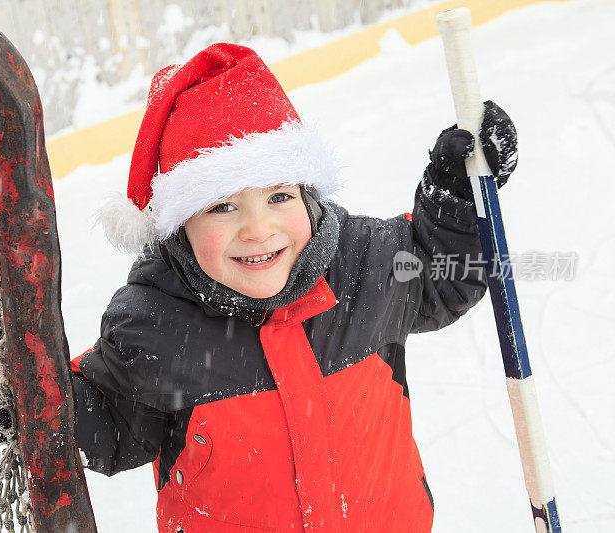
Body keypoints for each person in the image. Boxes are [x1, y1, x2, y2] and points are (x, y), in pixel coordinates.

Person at [70, 42, 517, 532]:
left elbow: (440, 275)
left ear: (307, 193)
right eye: (222, 206)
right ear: (180, 224)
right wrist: (34, 400)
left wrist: (456, 195)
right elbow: (111, 422)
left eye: (279, 196)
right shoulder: (154, 324)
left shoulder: (364, 264)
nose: (259, 230)